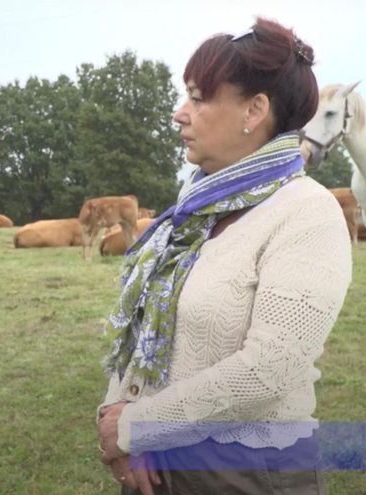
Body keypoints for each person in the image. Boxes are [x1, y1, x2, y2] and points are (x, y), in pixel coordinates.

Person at [96, 18, 352, 494]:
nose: (180, 113)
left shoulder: (306, 213)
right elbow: (145, 327)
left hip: (245, 474)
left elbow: (270, 368)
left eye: (198, 97)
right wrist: (119, 417)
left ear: (254, 110)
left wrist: (135, 426)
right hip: (154, 466)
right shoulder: (192, 213)